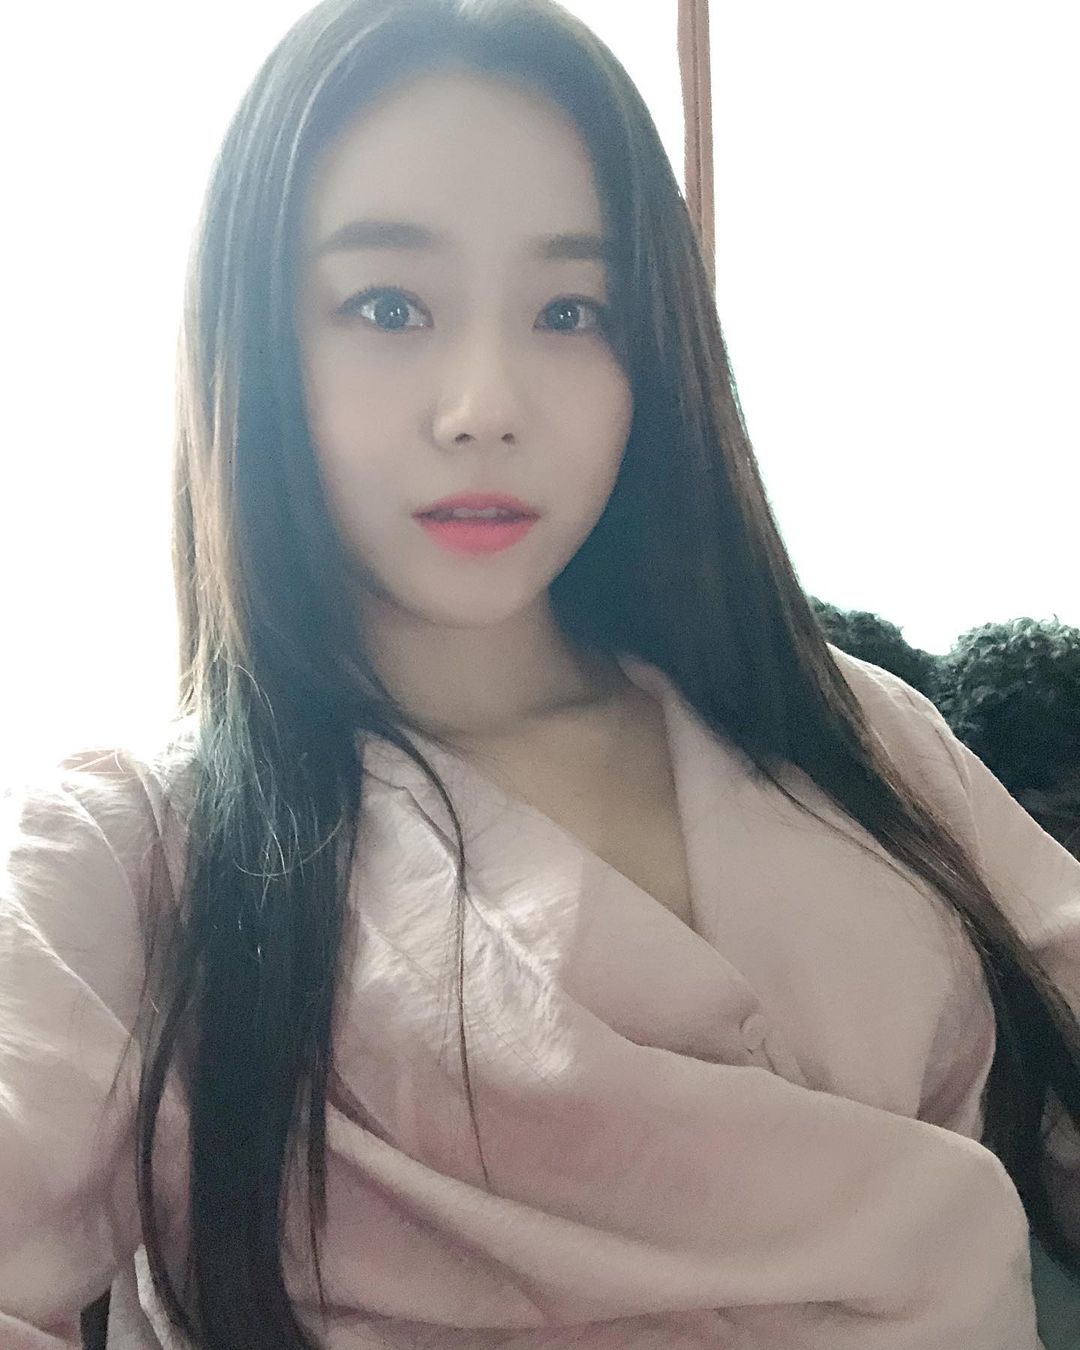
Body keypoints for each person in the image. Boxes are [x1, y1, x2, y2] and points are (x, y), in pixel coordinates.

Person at [2, 1, 1079, 1346]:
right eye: (387, 306)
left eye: (571, 310)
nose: (486, 405)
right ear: (258, 345)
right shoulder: (131, 849)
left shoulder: (850, 725)